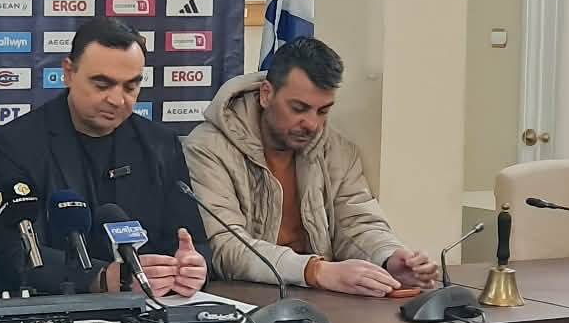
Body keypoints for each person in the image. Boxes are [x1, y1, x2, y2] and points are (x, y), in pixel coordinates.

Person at [184, 37, 441, 296]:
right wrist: (314, 271)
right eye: (299, 108)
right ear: (266, 95)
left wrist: (388, 257)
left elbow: (357, 224)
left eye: (323, 111)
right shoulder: (208, 148)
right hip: (246, 296)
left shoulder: (336, 149)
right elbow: (225, 246)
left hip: (321, 294)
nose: (312, 124)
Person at [0, 18, 210, 297]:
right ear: (68, 72)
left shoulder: (161, 145)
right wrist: (100, 279)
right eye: (102, 85)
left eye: (130, 87)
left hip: (154, 309)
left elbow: (195, 242)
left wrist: (192, 267)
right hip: (57, 311)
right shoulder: (16, 145)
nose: (117, 100)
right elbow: (14, 255)